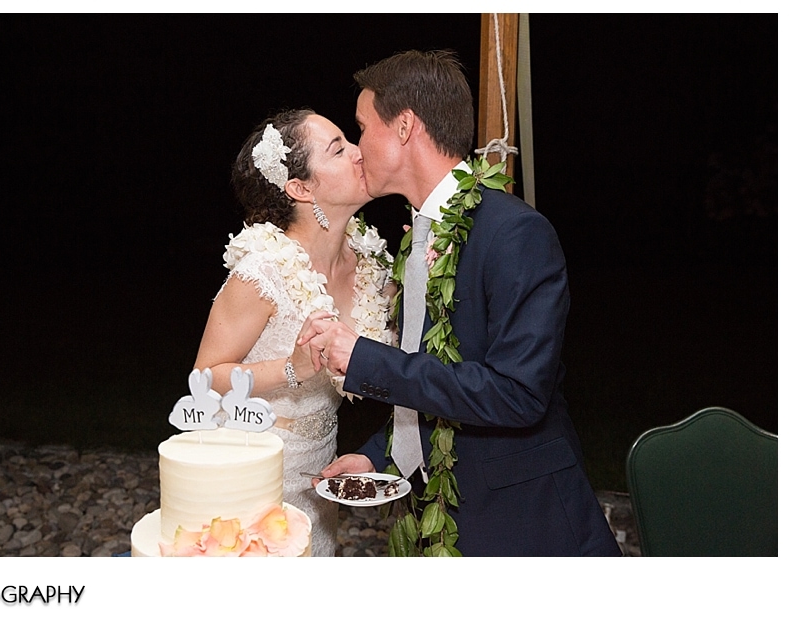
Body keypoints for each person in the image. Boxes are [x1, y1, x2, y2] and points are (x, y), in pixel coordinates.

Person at [299, 50, 619, 556]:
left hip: (522, 526)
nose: (358, 149)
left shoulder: (515, 233)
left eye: (362, 128)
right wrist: (380, 456)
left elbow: (518, 393)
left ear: (404, 127)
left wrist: (364, 357)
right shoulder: (419, 236)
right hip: (441, 519)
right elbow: (440, 376)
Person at [194, 109, 397, 557]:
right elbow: (206, 376)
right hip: (252, 463)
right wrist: (292, 368)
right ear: (300, 189)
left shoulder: (374, 268)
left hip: (319, 465)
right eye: (338, 148)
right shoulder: (262, 272)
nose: (359, 153)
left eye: (349, 140)